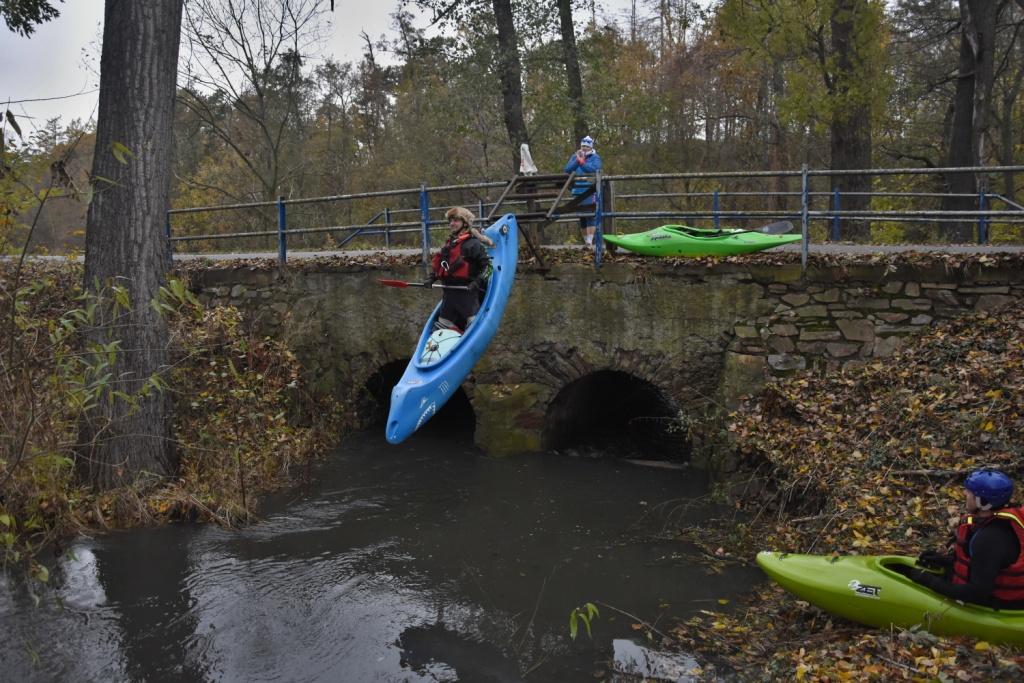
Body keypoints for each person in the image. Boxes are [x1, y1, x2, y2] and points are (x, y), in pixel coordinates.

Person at [900, 469, 1024, 609]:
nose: (965, 493)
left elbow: (977, 592)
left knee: (919, 580)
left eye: (970, 492)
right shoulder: (989, 523)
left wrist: (927, 580)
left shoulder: (990, 538)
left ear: (983, 502)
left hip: (1000, 604)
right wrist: (946, 561)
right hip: (989, 590)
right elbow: (984, 564)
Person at [424, 207, 491, 332]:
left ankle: (469, 330)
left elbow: (489, 268)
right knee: (439, 328)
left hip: (467, 294)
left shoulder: (473, 244)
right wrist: (431, 278)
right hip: (449, 296)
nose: (451, 224)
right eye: (450, 221)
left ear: (465, 223)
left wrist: (477, 282)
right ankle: (456, 332)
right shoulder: (448, 244)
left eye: (455, 220)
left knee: (473, 325)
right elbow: (441, 266)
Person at [563, 135, 603, 249]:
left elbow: (594, 169)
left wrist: (582, 163)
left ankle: (590, 241)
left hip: (590, 190)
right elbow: (567, 169)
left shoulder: (595, 157)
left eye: (586, 146)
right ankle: (586, 242)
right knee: (581, 216)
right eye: (583, 146)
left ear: (591, 147)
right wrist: (577, 160)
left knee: (590, 214)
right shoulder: (574, 156)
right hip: (577, 190)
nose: (584, 148)